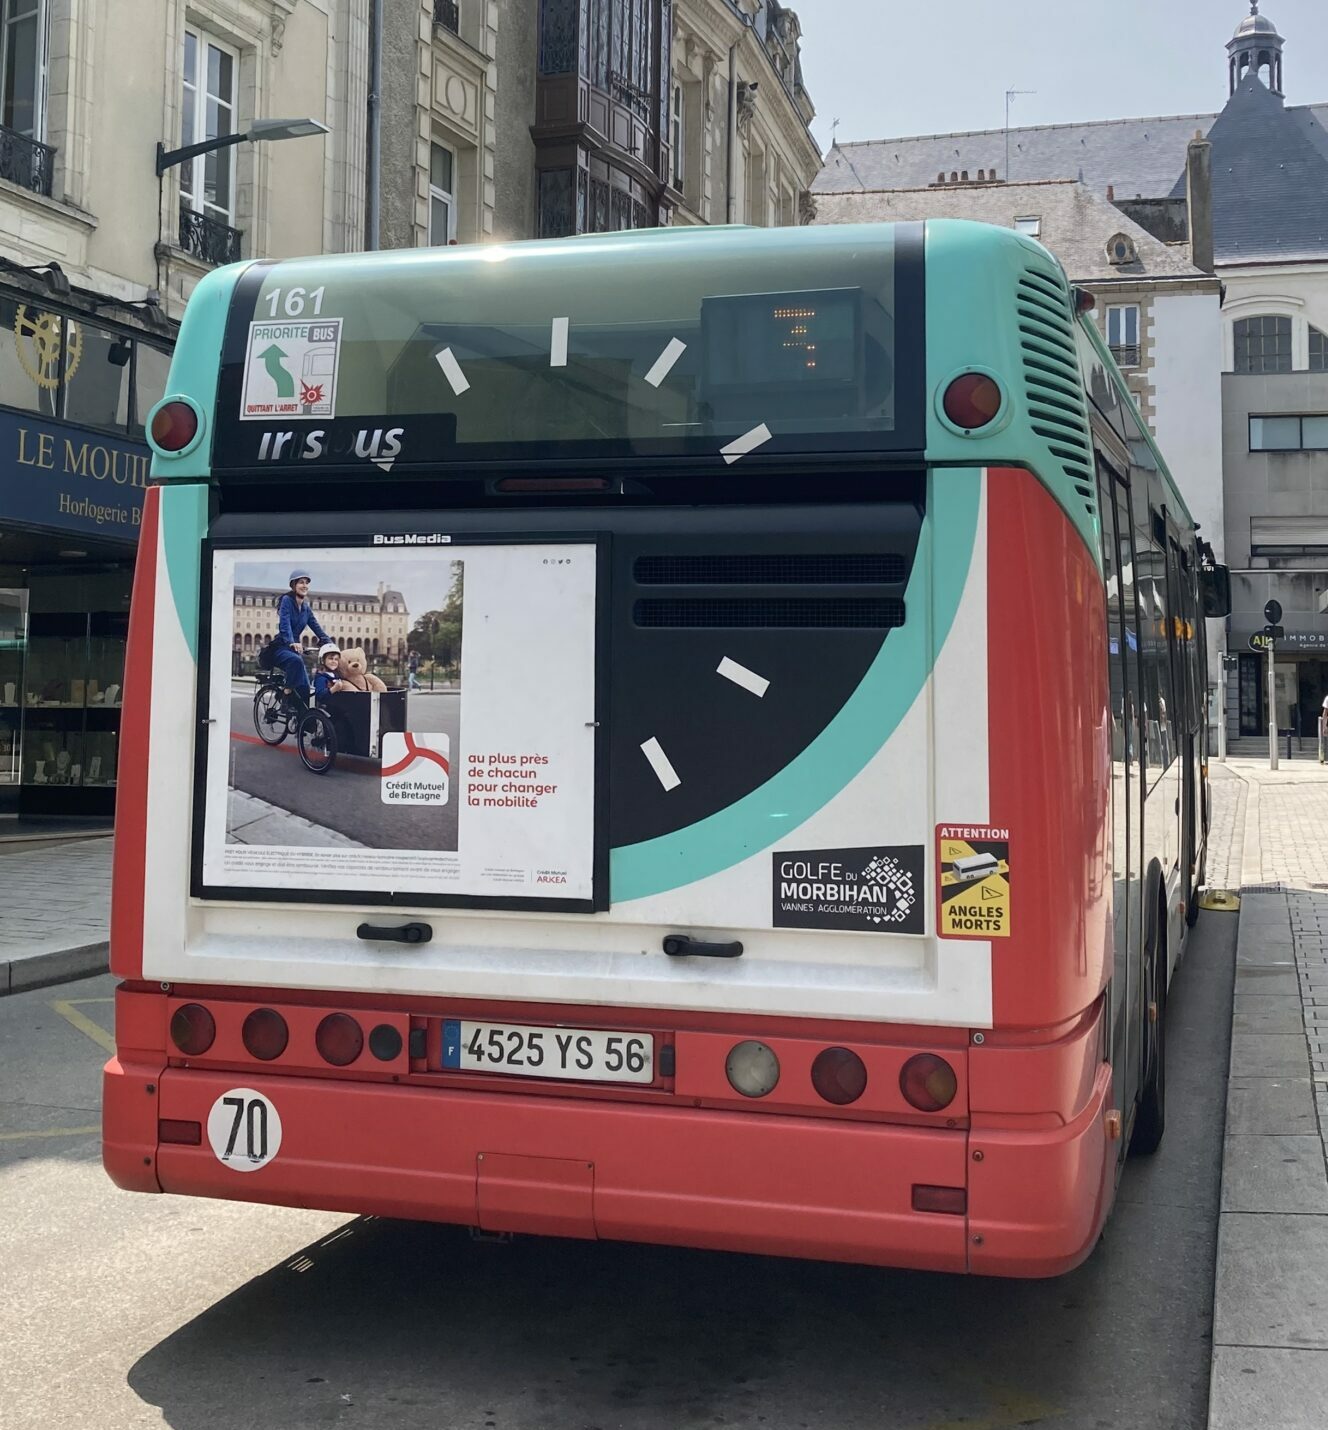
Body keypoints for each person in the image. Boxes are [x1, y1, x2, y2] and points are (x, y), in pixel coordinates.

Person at [274, 570, 330, 704]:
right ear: (293, 585)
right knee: (296, 661)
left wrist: (330, 644)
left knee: (304, 688)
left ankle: (304, 723)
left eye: (306, 583)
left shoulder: (306, 608)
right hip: (281, 647)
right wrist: (291, 642)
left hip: (295, 649)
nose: (304, 585)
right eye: (301, 582)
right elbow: (284, 625)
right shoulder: (286, 600)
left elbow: (316, 627)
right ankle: (285, 695)